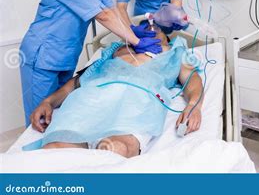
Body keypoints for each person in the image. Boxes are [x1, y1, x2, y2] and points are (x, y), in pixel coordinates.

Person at [19, 0, 162, 126]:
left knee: (59, 114)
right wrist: (136, 42)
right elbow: (102, 15)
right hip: (42, 55)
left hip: (66, 55)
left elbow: (111, 10)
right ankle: (34, 156)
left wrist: (131, 31)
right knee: (41, 117)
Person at [28, 29, 203, 158]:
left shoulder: (174, 52)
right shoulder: (114, 51)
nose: (150, 29)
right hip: (90, 99)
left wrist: (194, 105)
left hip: (136, 100)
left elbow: (192, 79)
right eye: (144, 27)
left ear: (167, 38)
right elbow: (76, 82)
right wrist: (48, 102)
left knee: (115, 149)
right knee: (54, 152)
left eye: (156, 29)